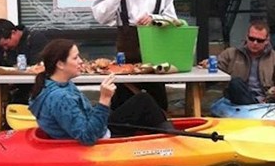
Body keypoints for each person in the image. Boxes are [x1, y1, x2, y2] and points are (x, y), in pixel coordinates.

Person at [28, 38, 169, 145]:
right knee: (144, 101)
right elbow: (87, 137)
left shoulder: (54, 84)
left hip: (97, 126)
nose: (81, 61)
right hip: (100, 136)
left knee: (139, 100)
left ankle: (162, 136)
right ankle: (171, 141)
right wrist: (104, 100)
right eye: (75, 58)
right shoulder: (61, 98)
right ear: (60, 64)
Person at [92, 0, 178, 110]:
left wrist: (155, 19)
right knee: (122, 106)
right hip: (125, 60)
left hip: (154, 60)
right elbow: (100, 16)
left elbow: (174, 22)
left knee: (157, 107)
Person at [216, 20, 275, 105]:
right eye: (251, 39)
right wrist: (208, 66)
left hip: (267, 101)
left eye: (259, 40)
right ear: (246, 37)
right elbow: (216, 69)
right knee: (236, 83)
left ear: (267, 41)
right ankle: (252, 104)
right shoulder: (230, 54)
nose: (255, 43)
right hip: (237, 99)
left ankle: (254, 104)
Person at [0, 18, 30, 104]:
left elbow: (39, 67)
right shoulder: (0, 47)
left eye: (6, 44)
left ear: (14, 33)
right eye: (1, 46)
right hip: (12, 90)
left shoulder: (33, 39)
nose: (5, 48)